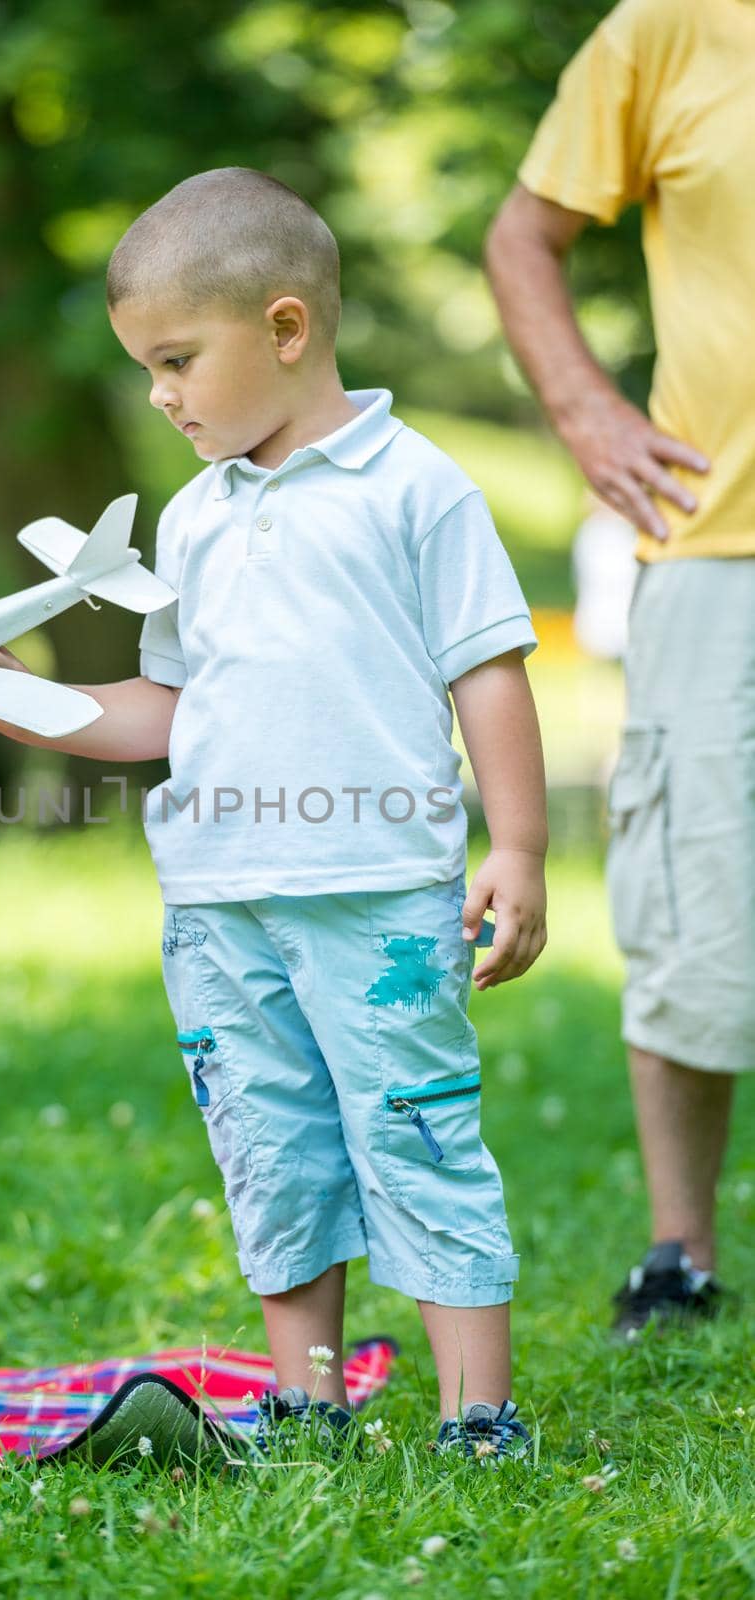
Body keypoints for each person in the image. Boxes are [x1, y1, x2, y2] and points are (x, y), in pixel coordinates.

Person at [0, 167, 548, 1458]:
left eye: (177, 360)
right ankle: (307, 1400)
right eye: (145, 369)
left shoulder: (414, 486)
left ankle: (477, 1416)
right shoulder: (195, 517)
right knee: (272, 1152)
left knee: (416, 1134)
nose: (160, 395)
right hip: (222, 902)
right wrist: (23, 707)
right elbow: (169, 709)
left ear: (286, 328)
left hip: (378, 889)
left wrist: (517, 847)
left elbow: (488, 669)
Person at [485, 0, 755, 1336]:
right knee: (699, 901)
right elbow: (522, 234)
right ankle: (680, 1253)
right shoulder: (670, 26)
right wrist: (586, 408)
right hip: (723, 543)